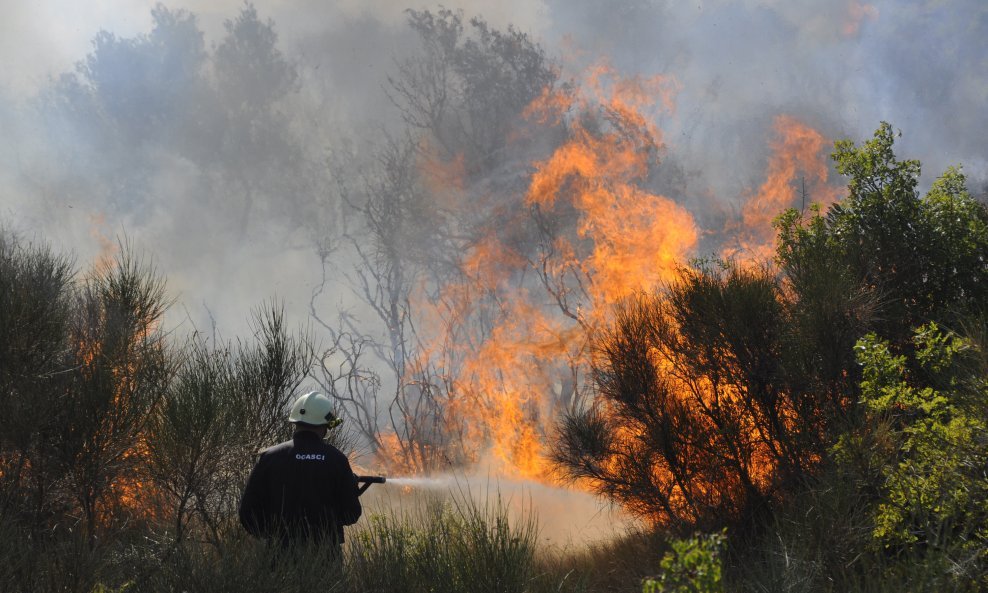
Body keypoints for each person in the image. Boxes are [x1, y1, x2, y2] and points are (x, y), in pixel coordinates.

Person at [239, 391, 362, 550]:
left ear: (295, 422)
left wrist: (272, 536)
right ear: (325, 426)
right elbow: (351, 514)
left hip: (278, 556)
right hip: (325, 556)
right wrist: (350, 489)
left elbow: (247, 512)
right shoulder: (336, 459)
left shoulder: (270, 457)